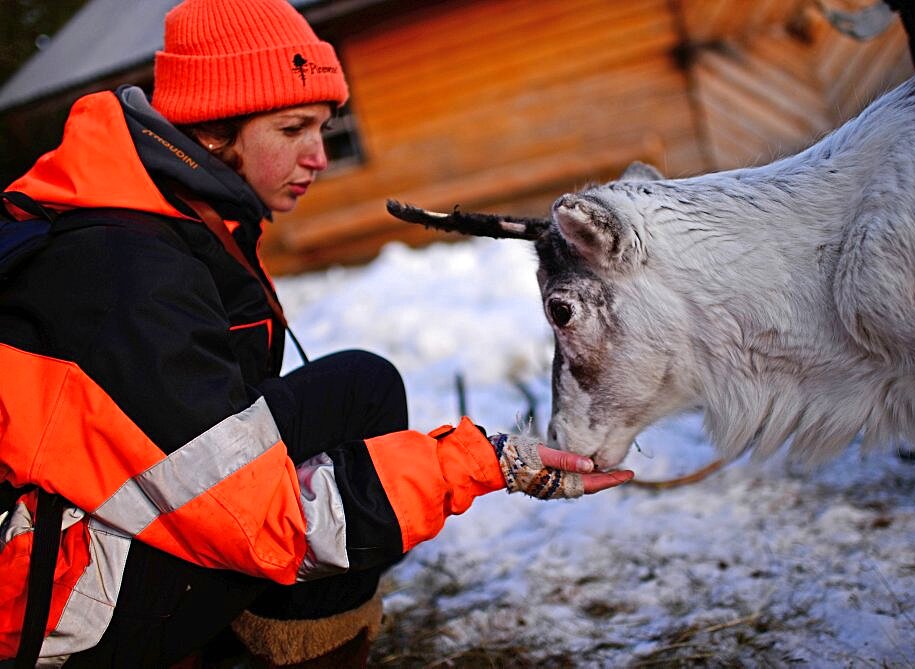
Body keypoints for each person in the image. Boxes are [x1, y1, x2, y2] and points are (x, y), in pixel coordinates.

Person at [0, 0, 633, 666]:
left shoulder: (167, 211)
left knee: (358, 388)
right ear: (214, 130)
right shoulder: (127, 268)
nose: (320, 157)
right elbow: (267, 526)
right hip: (45, 604)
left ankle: (260, 642)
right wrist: (487, 461)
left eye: (325, 128)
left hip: (82, 519)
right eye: (294, 128)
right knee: (322, 483)